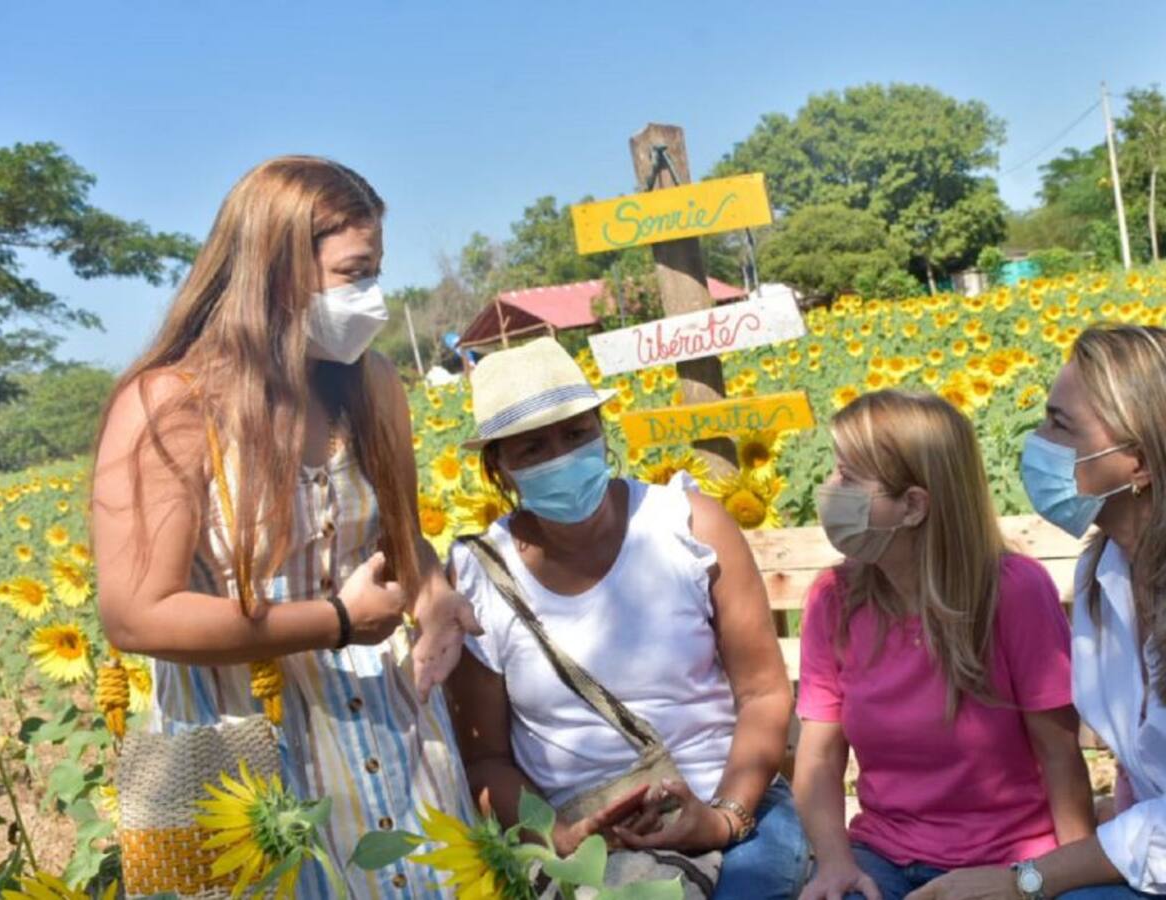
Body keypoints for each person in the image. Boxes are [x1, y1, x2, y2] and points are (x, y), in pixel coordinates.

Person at [91, 156, 479, 898]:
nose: (372, 297)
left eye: (375, 272)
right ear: (274, 271)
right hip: (240, 762)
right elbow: (136, 614)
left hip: (391, 738)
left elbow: (397, 535)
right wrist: (333, 620)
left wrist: (432, 595)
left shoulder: (371, 385)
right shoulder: (172, 407)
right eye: (354, 273)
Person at [444, 337, 810, 900]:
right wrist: (563, 839)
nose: (560, 458)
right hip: (583, 838)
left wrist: (723, 817)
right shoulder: (477, 576)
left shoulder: (688, 526)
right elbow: (485, 757)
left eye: (575, 434)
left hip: (734, 807)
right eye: (533, 448)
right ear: (498, 466)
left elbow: (762, 693)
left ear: (601, 428)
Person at [795, 390, 1095, 900]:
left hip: (1011, 863)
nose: (829, 489)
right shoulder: (833, 599)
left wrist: (1067, 877)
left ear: (912, 506)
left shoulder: (1014, 593)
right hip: (882, 858)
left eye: (847, 476)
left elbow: (1059, 754)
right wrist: (834, 864)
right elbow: (820, 757)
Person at [911, 323, 1166, 900]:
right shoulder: (1105, 573)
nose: (1038, 443)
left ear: (1141, 463)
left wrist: (1027, 879)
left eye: (1060, 425)